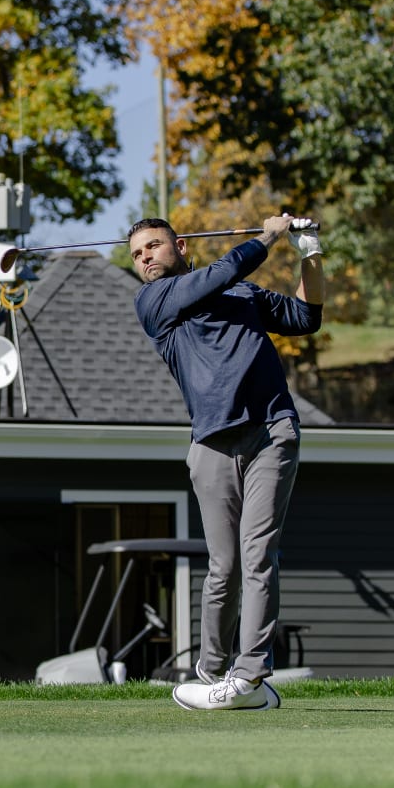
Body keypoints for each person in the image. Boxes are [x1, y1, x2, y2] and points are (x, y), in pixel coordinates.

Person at [128, 213, 324, 710]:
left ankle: (251, 677)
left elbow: (307, 316)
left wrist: (310, 251)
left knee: (258, 554)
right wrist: (267, 237)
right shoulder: (154, 301)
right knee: (225, 567)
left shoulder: (243, 295)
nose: (145, 257)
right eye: (136, 253)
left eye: (153, 246)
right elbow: (220, 273)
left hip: (270, 432)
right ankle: (212, 672)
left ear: (181, 244)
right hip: (211, 444)